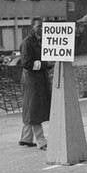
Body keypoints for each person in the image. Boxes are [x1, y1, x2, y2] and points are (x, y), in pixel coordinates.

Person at [18, 18, 51, 149]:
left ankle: (26, 138)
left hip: (38, 79)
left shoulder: (41, 40)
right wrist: (45, 64)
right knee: (34, 109)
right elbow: (25, 63)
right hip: (31, 80)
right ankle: (41, 141)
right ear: (32, 27)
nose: (42, 29)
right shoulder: (27, 43)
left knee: (30, 108)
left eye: (43, 26)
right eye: (39, 27)